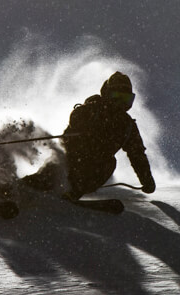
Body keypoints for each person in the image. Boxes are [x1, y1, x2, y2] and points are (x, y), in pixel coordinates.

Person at [61, 71, 156, 200]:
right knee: (62, 162)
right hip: (74, 156)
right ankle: (44, 179)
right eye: (116, 97)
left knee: (110, 162)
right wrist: (88, 126)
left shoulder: (127, 125)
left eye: (125, 99)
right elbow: (75, 119)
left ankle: (74, 192)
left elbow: (137, 154)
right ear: (108, 95)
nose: (120, 103)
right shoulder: (94, 108)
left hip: (95, 166)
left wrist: (147, 180)